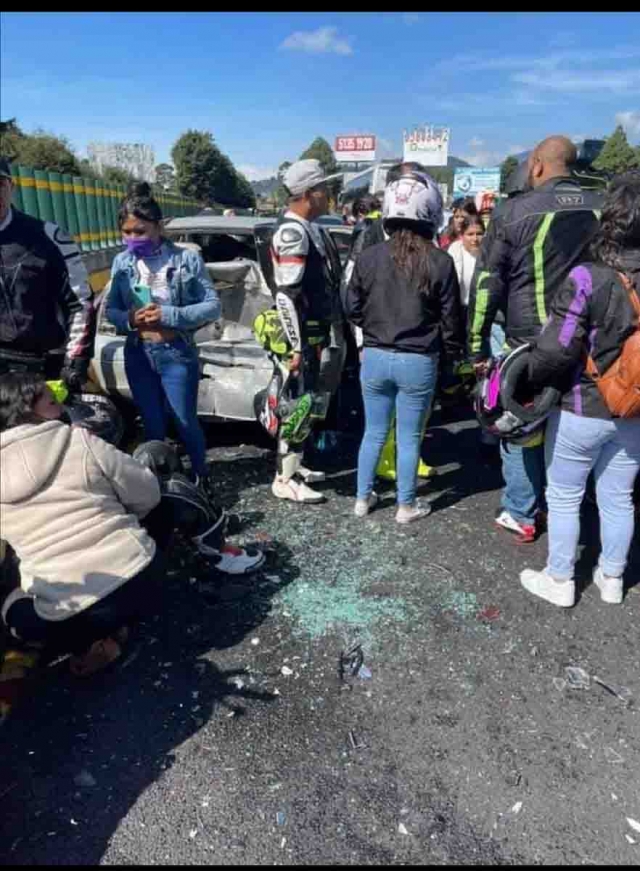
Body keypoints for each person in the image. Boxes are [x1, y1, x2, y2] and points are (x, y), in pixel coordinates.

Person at [468, 135, 603, 543]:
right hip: (590, 339)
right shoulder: (602, 206)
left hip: (528, 342)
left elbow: (486, 285)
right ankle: (573, 505)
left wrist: (475, 347)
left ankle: (521, 512)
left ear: (538, 166)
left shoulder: (513, 212)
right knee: (578, 422)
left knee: (518, 423)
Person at [520, 171, 640, 607]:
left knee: (565, 494)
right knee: (618, 497)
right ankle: (612, 579)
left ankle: (560, 579)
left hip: (582, 406)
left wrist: (530, 382)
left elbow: (554, 349)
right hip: (633, 410)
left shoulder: (588, 277)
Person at [344, 169, 463, 523]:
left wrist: (375, 326)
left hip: (376, 357)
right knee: (409, 437)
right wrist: (452, 357)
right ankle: (405, 506)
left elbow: (351, 307)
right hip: (419, 360)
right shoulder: (440, 261)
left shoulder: (369, 258)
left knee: (373, 432)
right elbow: (452, 321)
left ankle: (362, 500)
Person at [268, 159, 345, 503]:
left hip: (315, 334)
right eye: (325, 189)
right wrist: (296, 348)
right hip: (301, 338)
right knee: (296, 405)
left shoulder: (310, 228)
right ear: (310, 193)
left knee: (308, 402)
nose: (330, 195)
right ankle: (284, 478)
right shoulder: (292, 232)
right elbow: (286, 295)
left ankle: (294, 465)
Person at [0, 156, 94, 386]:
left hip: (44, 371)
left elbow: (80, 303)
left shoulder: (49, 237)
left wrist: (74, 363)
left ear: (11, 187)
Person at [447, 214, 485, 326]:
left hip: (482, 312)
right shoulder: (454, 253)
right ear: (462, 236)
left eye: (479, 234)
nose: (475, 239)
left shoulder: (490, 254)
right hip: (460, 311)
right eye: (470, 234)